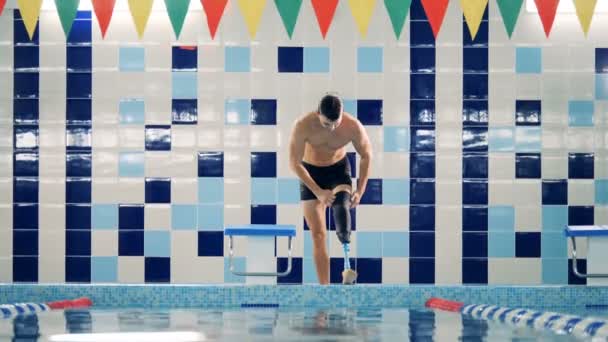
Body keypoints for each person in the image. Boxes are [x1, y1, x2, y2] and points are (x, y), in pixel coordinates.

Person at [288, 93, 372, 285]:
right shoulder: (303, 125)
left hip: (337, 171)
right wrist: (318, 191)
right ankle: (324, 288)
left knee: (341, 208)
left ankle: (346, 266)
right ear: (318, 114)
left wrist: (360, 190)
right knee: (318, 234)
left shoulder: (352, 126)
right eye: (327, 124)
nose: (332, 129)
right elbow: (294, 163)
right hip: (310, 174)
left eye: (336, 123)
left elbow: (367, 155)